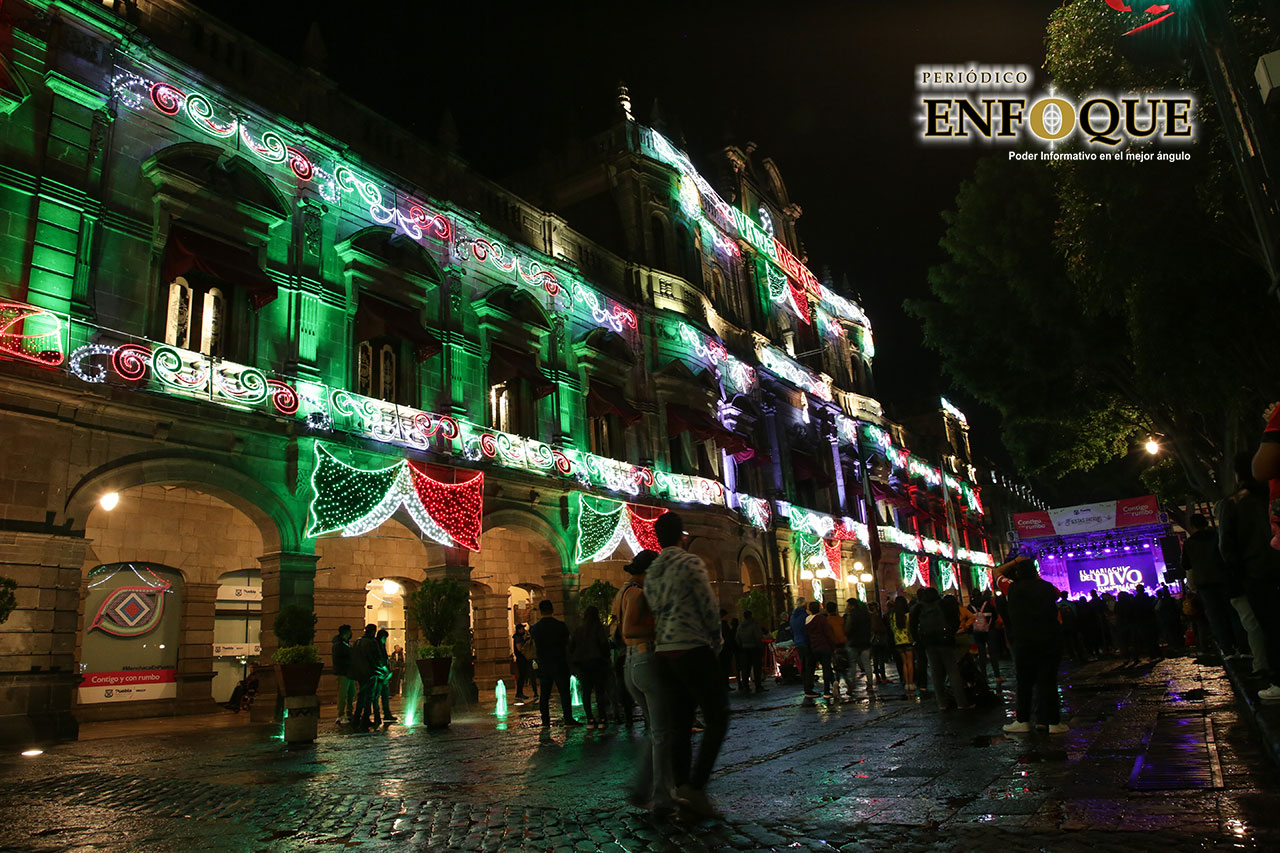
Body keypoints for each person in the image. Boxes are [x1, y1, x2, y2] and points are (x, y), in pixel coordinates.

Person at [644, 511, 729, 819]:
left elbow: (654, 608)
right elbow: (707, 605)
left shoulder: (653, 570)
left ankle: (681, 788)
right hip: (692, 648)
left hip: (663, 652)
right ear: (682, 535)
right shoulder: (690, 562)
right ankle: (696, 785)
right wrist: (716, 642)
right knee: (718, 717)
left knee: (680, 724)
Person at [614, 549, 679, 815]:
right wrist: (663, 628)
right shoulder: (638, 594)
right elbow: (628, 630)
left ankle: (648, 789)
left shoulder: (623, 593)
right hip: (645, 659)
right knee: (662, 733)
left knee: (655, 731)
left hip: (631, 663)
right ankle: (658, 794)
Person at [1220, 450, 1280, 702]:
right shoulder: (1272, 496)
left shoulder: (1232, 503)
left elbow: (1227, 547)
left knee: (1271, 626)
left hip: (1257, 573)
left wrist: (1237, 573)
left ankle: (1277, 680)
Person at [997, 557, 1067, 733]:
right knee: (1048, 681)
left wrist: (1014, 562)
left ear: (1018, 573)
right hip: (1049, 640)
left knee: (1024, 682)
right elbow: (1057, 594)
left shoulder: (1011, 588)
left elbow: (995, 573)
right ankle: (1053, 722)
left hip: (1024, 641)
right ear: (1036, 573)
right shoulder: (1048, 588)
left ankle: (1023, 720)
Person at [1182, 513, 1245, 658]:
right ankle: (1242, 647)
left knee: (1216, 617)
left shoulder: (1189, 543)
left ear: (1193, 526)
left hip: (1205, 583)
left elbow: (1185, 564)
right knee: (1232, 613)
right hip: (1223, 579)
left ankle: (1227, 649)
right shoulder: (1217, 537)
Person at [911, 587, 968, 711]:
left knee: (936, 673)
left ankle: (942, 703)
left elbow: (913, 625)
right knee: (953, 671)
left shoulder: (919, 607)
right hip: (946, 641)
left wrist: (919, 640)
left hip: (929, 643)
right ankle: (961, 702)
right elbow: (954, 620)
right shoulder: (943, 604)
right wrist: (951, 633)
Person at [530, 599, 579, 727]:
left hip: (544, 664)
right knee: (564, 693)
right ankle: (568, 719)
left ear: (540, 611)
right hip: (559, 663)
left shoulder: (535, 628)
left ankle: (545, 721)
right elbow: (567, 643)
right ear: (552, 610)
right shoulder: (560, 626)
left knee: (544, 695)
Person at [570, 605, 611, 729]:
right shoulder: (599, 628)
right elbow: (604, 644)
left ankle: (590, 719)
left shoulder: (578, 629)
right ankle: (602, 718)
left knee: (586, 692)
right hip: (597, 662)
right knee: (600, 691)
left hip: (583, 664)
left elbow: (571, 647)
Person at [351, 623, 382, 729]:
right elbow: (376, 658)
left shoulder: (357, 641)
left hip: (359, 673)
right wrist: (380, 669)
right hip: (370, 673)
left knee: (361, 695)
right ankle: (365, 719)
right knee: (369, 696)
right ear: (373, 632)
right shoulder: (372, 642)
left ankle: (356, 718)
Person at [844, 598, 874, 695]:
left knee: (853, 664)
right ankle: (870, 684)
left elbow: (848, 628)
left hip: (854, 642)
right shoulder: (866, 615)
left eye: (848, 605)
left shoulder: (851, 615)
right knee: (867, 663)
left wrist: (847, 635)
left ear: (852, 606)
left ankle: (852, 684)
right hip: (865, 642)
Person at [824, 600, 853, 700]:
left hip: (833, 646)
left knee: (837, 666)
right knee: (843, 665)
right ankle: (848, 683)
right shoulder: (841, 619)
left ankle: (836, 683)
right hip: (843, 644)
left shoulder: (827, 621)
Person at [971, 593, 1000, 685]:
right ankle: (997, 676)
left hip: (977, 633)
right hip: (989, 630)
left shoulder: (970, 606)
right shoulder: (987, 604)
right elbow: (995, 615)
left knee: (981, 654)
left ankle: (984, 676)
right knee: (992, 653)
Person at [735, 609, 766, 693]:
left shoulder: (740, 626)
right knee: (756, 668)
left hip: (744, 649)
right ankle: (758, 686)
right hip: (754, 648)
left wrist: (741, 646)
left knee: (746, 668)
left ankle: (746, 686)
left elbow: (737, 638)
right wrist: (760, 646)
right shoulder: (754, 625)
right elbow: (758, 636)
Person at [890, 596, 915, 698]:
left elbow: (892, 629)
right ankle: (911, 682)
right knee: (910, 662)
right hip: (908, 640)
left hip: (898, 641)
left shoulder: (893, 616)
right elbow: (910, 628)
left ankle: (906, 683)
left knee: (904, 663)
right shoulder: (907, 615)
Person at [331, 624, 355, 724]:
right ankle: (340, 715)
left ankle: (349, 712)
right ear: (345, 632)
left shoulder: (346, 643)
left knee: (351, 693)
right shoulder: (339, 645)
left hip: (349, 672)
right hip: (343, 673)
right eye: (349, 631)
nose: (351, 633)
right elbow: (339, 659)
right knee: (343, 694)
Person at [788, 596, 810, 696]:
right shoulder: (805, 616)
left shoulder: (792, 616)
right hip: (805, 642)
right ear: (804, 604)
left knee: (803, 665)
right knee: (809, 665)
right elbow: (807, 630)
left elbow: (792, 630)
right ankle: (809, 688)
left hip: (798, 642)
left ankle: (806, 687)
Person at [375, 627, 395, 724]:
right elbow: (380, 660)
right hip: (380, 675)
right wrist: (386, 671)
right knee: (379, 695)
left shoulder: (380, 646)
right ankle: (381, 714)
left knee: (384, 695)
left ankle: (385, 713)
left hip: (382, 674)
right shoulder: (378, 646)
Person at [719, 609, 738, 690]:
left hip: (720, 649)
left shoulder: (717, 625)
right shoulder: (724, 626)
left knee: (722, 668)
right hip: (726, 649)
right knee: (725, 668)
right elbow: (728, 638)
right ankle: (725, 685)